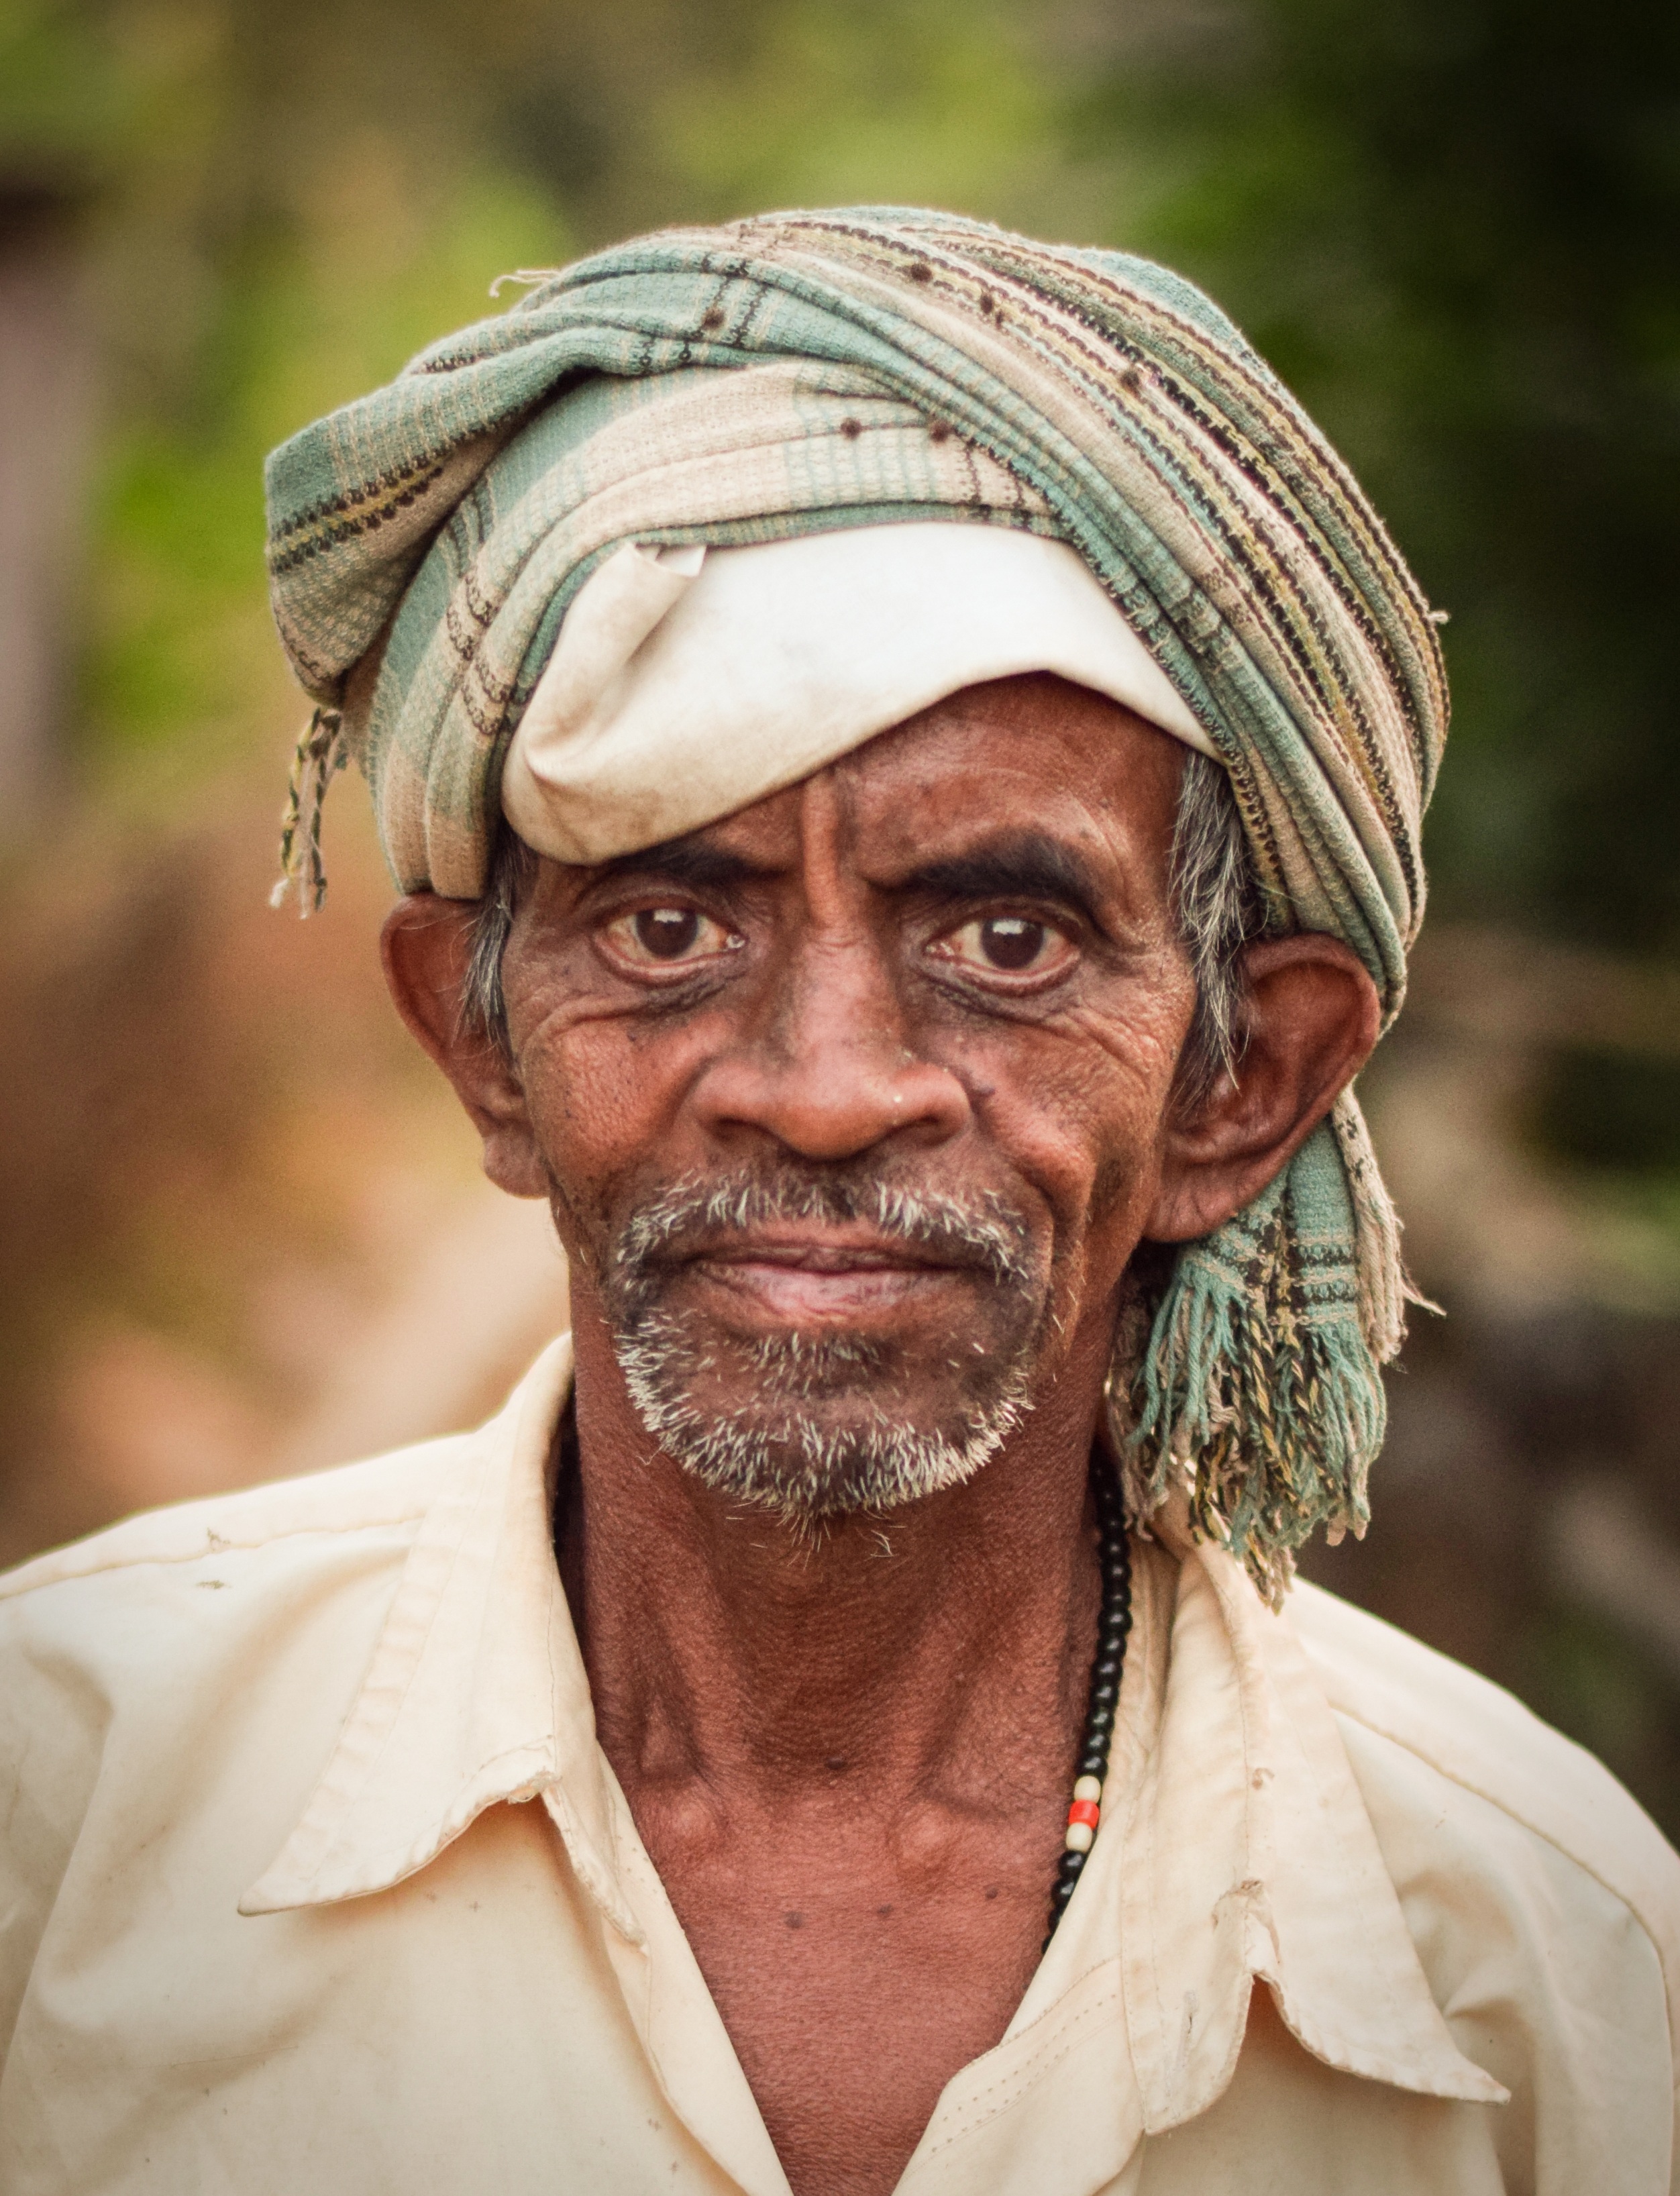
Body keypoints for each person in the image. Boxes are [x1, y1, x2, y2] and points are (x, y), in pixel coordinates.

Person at [1, 209, 1675, 2196]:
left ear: (1246, 1079)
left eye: (1003, 934)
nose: (820, 1087)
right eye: (672, 921)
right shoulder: (62, 1811)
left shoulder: (1543, 1971)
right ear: (480, 1040)